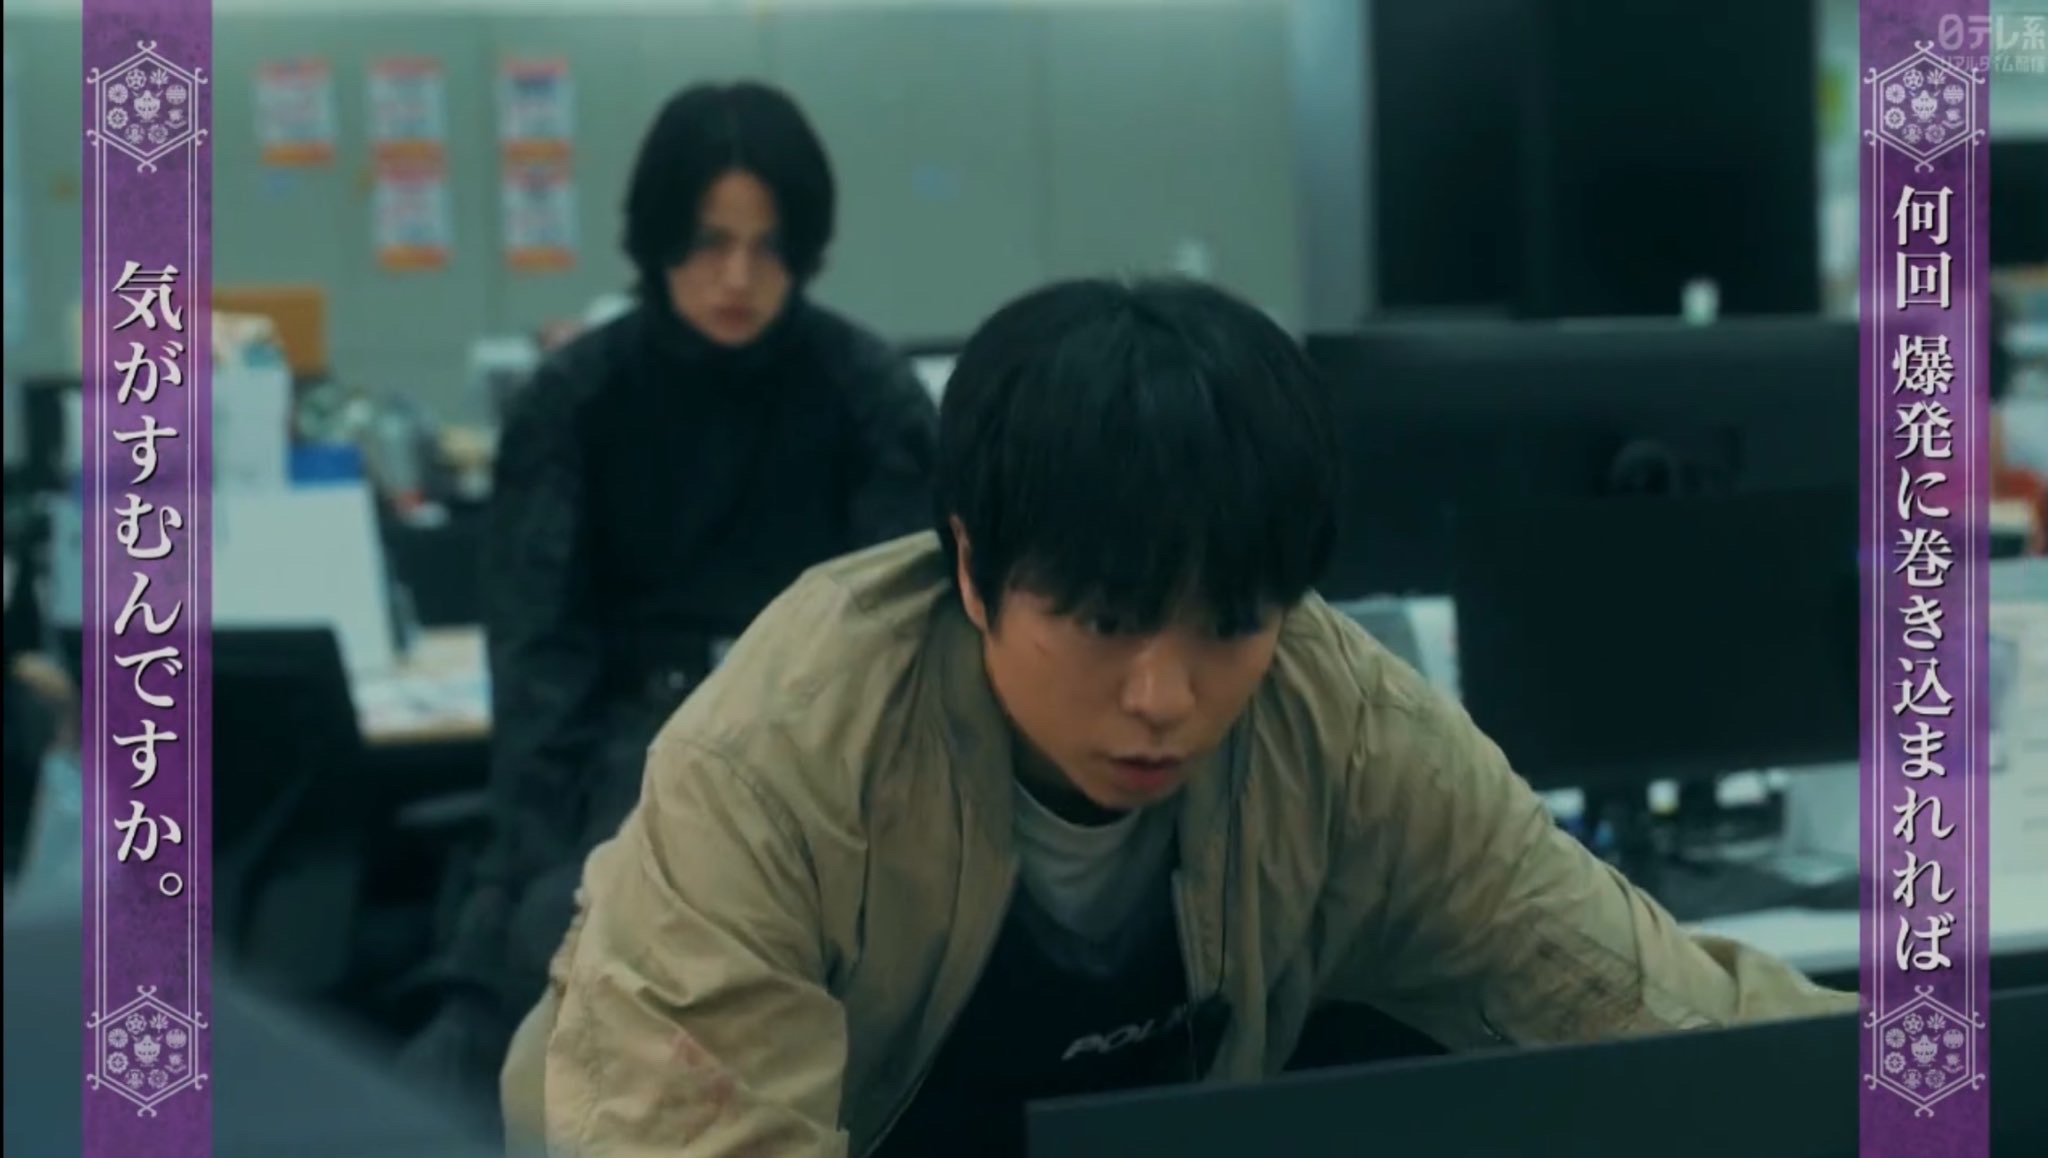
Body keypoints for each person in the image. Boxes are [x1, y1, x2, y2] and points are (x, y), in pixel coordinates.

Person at [499, 278, 1854, 1157]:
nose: (1163, 695)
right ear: (972, 568)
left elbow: (1637, 1001)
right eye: (1101, 622)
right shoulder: (787, 750)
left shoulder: (1341, 724)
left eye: (1229, 624)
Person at [404, 81, 937, 1107]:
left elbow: (898, 654)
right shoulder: (573, 401)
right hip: (618, 757)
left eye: (768, 247)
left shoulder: (869, 397)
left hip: (813, 765)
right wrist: (534, 861)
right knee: (520, 989)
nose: (737, 277)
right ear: (656, 241)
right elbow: (538, 662)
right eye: (707, 243)